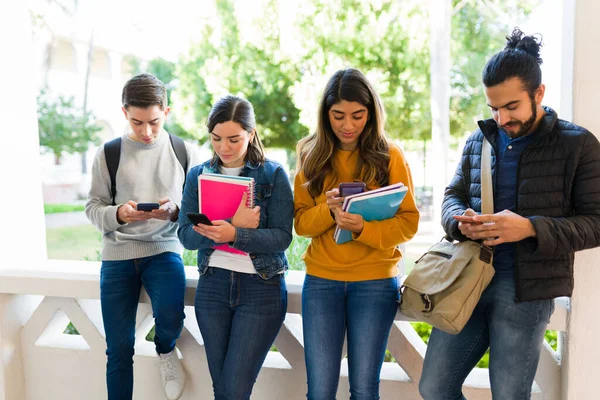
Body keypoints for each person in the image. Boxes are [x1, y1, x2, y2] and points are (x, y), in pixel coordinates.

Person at [419, 28, 600, 399]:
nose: (501, 119)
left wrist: (530, 229)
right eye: (493, 108)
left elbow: (596, 223)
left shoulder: (578, 144)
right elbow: (451, 195)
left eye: (511, 107)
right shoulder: (478, 140)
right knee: (434, 387)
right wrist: (460, 222)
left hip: (526, 292)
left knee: (508, 395)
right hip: (467, 279)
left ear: (539, 93)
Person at [294, 68, 420, 399]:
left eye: (357, 115)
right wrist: (328, 211)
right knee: (319, 391)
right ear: (325, 115)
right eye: (338, 116)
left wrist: (362, 227)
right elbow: (301, 224)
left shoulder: (390, 154)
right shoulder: (310, 154)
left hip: (375, 283)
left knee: (364, 390)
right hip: (322, 281)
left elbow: (408, 223)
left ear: (371, 113)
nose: (348, 125)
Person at [86, 73, 201, 400]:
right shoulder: (108, 153)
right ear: (124, 113)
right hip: (117, 255)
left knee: (170, 316)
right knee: (118, 348)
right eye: (137, 123)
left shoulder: (183, 151)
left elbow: (198, 206)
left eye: (154, 122)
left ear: (167, 111)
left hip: (164, 249)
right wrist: (120, 213)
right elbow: (93, 206)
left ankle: (165, 350)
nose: (147, 132)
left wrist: (175, 210)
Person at [177, 95, 293, 400]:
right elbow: (186, 236)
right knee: (223, 391)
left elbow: (282, 237)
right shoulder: (197, 174)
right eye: (216, 138)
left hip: (261, 289)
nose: (224, 148)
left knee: (233, 390)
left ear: (251, 134)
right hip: (212, 289)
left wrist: (236, 234)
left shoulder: (273, 175)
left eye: (234, 139)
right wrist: (232, 226)